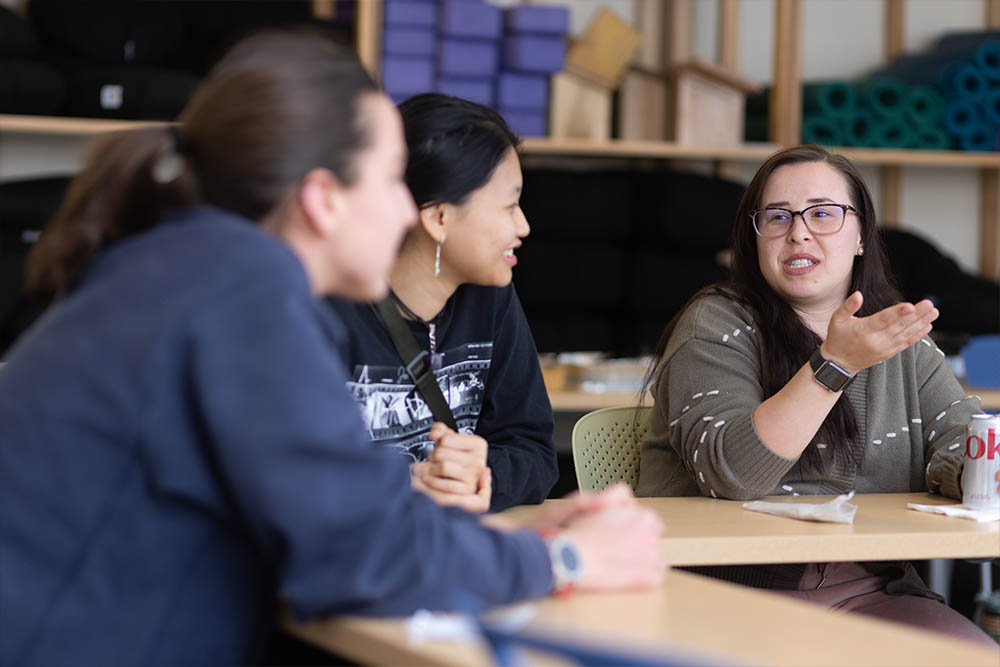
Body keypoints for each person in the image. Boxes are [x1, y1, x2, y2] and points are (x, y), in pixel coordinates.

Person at [0, 32, 665, 666]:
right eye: (389, 182)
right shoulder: (244, 293)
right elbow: (361, 552)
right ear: (322, 199)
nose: (406, 211)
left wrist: (528, 522)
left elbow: (348, 506)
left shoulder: (189, 265)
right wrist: (567, 559)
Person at [636, 144, 996, 645]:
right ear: (755, 237)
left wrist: (978, 470)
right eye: (778, 217)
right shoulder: (715, 322)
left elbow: (960, 443)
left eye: (823, 213)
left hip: (870, 593)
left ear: (861, 236)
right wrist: (836, 364)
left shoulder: (897, 336)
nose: (798, 232)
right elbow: (732, 472)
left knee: (974, 654)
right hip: (723, 593)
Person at [327, 93, 556, 513]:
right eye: (510, 205)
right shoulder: (329, 308)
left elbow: (535, 451)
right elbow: (289, 475)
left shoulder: (491, 296)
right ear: (439, 219)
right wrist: (403, 486)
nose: (523, 225)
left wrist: (480, 471)